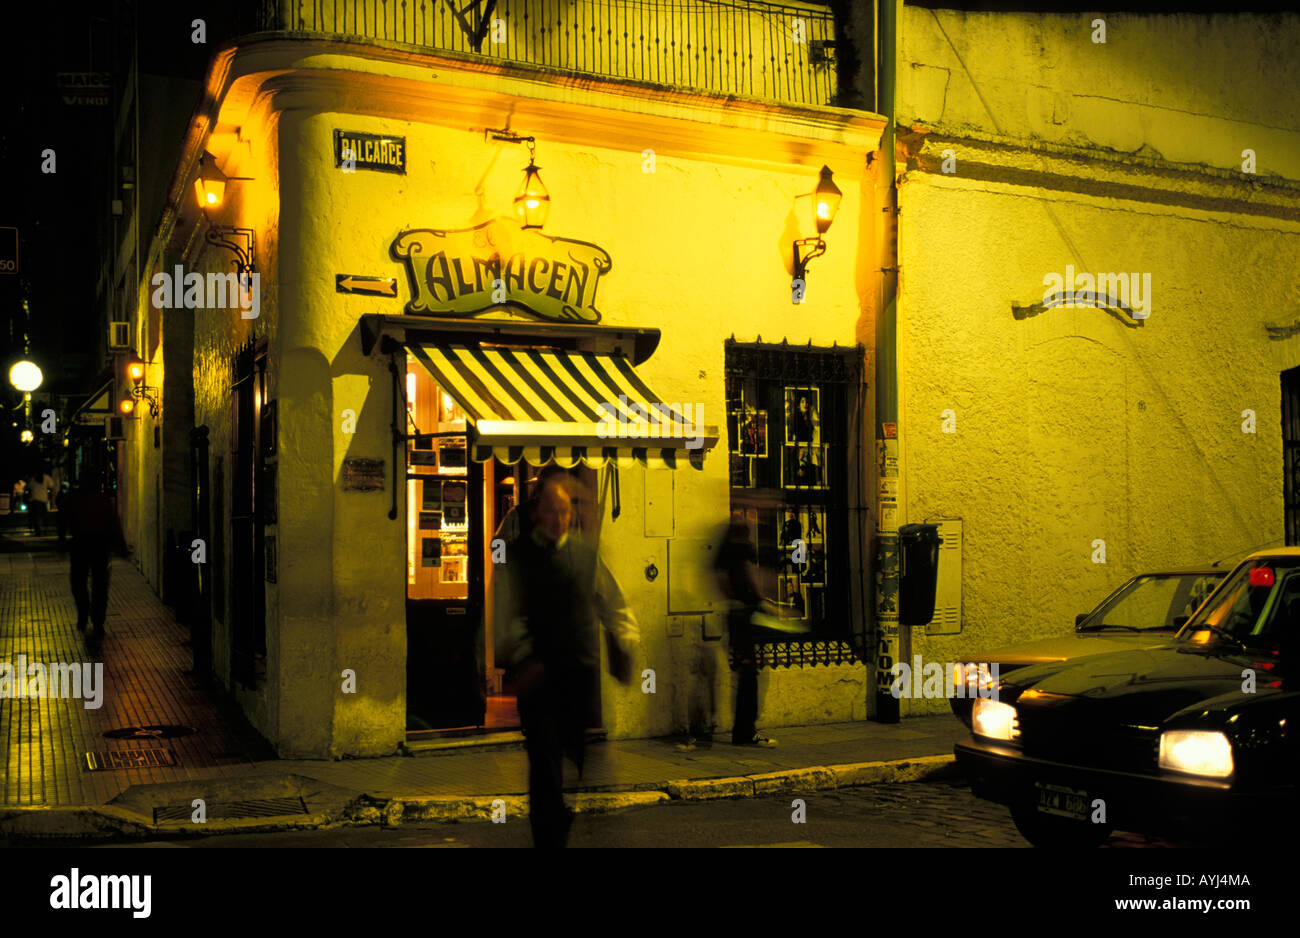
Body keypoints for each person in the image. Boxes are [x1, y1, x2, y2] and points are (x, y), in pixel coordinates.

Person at [494, 474, 638, 847]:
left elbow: (610, 601)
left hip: (577, 677)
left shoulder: (585, 554)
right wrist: (521, 658)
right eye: (552, 511)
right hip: (537, 678)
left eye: (565, 511)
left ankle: (557, 818)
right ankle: (549, 833)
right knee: (544, 761)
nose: (559, 519)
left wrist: (624, 640)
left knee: (576, 758)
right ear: (537, 514)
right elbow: (507, 613)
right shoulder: (519, 556)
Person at [714, 513, 778, 747]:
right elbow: (751, 574)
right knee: (749, 675)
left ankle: (742, 731)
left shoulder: (724, 549)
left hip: (733, 614)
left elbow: (719, 579)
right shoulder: (744, 547)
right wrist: (762, 601)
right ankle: (745, 732)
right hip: (747, 616)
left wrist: (731, 600)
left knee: (744, 672)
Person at [64, 480, 129, 644]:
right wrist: (120, 546)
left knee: (79, 581)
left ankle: (83, 613)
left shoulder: (76, 500)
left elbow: (66, 518)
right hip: (100, 545)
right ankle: (98, 620)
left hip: (81, 543)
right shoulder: (104, 500)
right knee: (100, 584)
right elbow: (114, 523)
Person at [26, 468, 54, 535]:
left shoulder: (32, 479)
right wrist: (51, 498)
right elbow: (51, 487)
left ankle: (38, 530)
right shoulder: (47, 478)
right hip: (43, 499)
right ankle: (44, 529)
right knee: (44, 515)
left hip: (34, 499)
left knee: (36, 516)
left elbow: (28, 488)